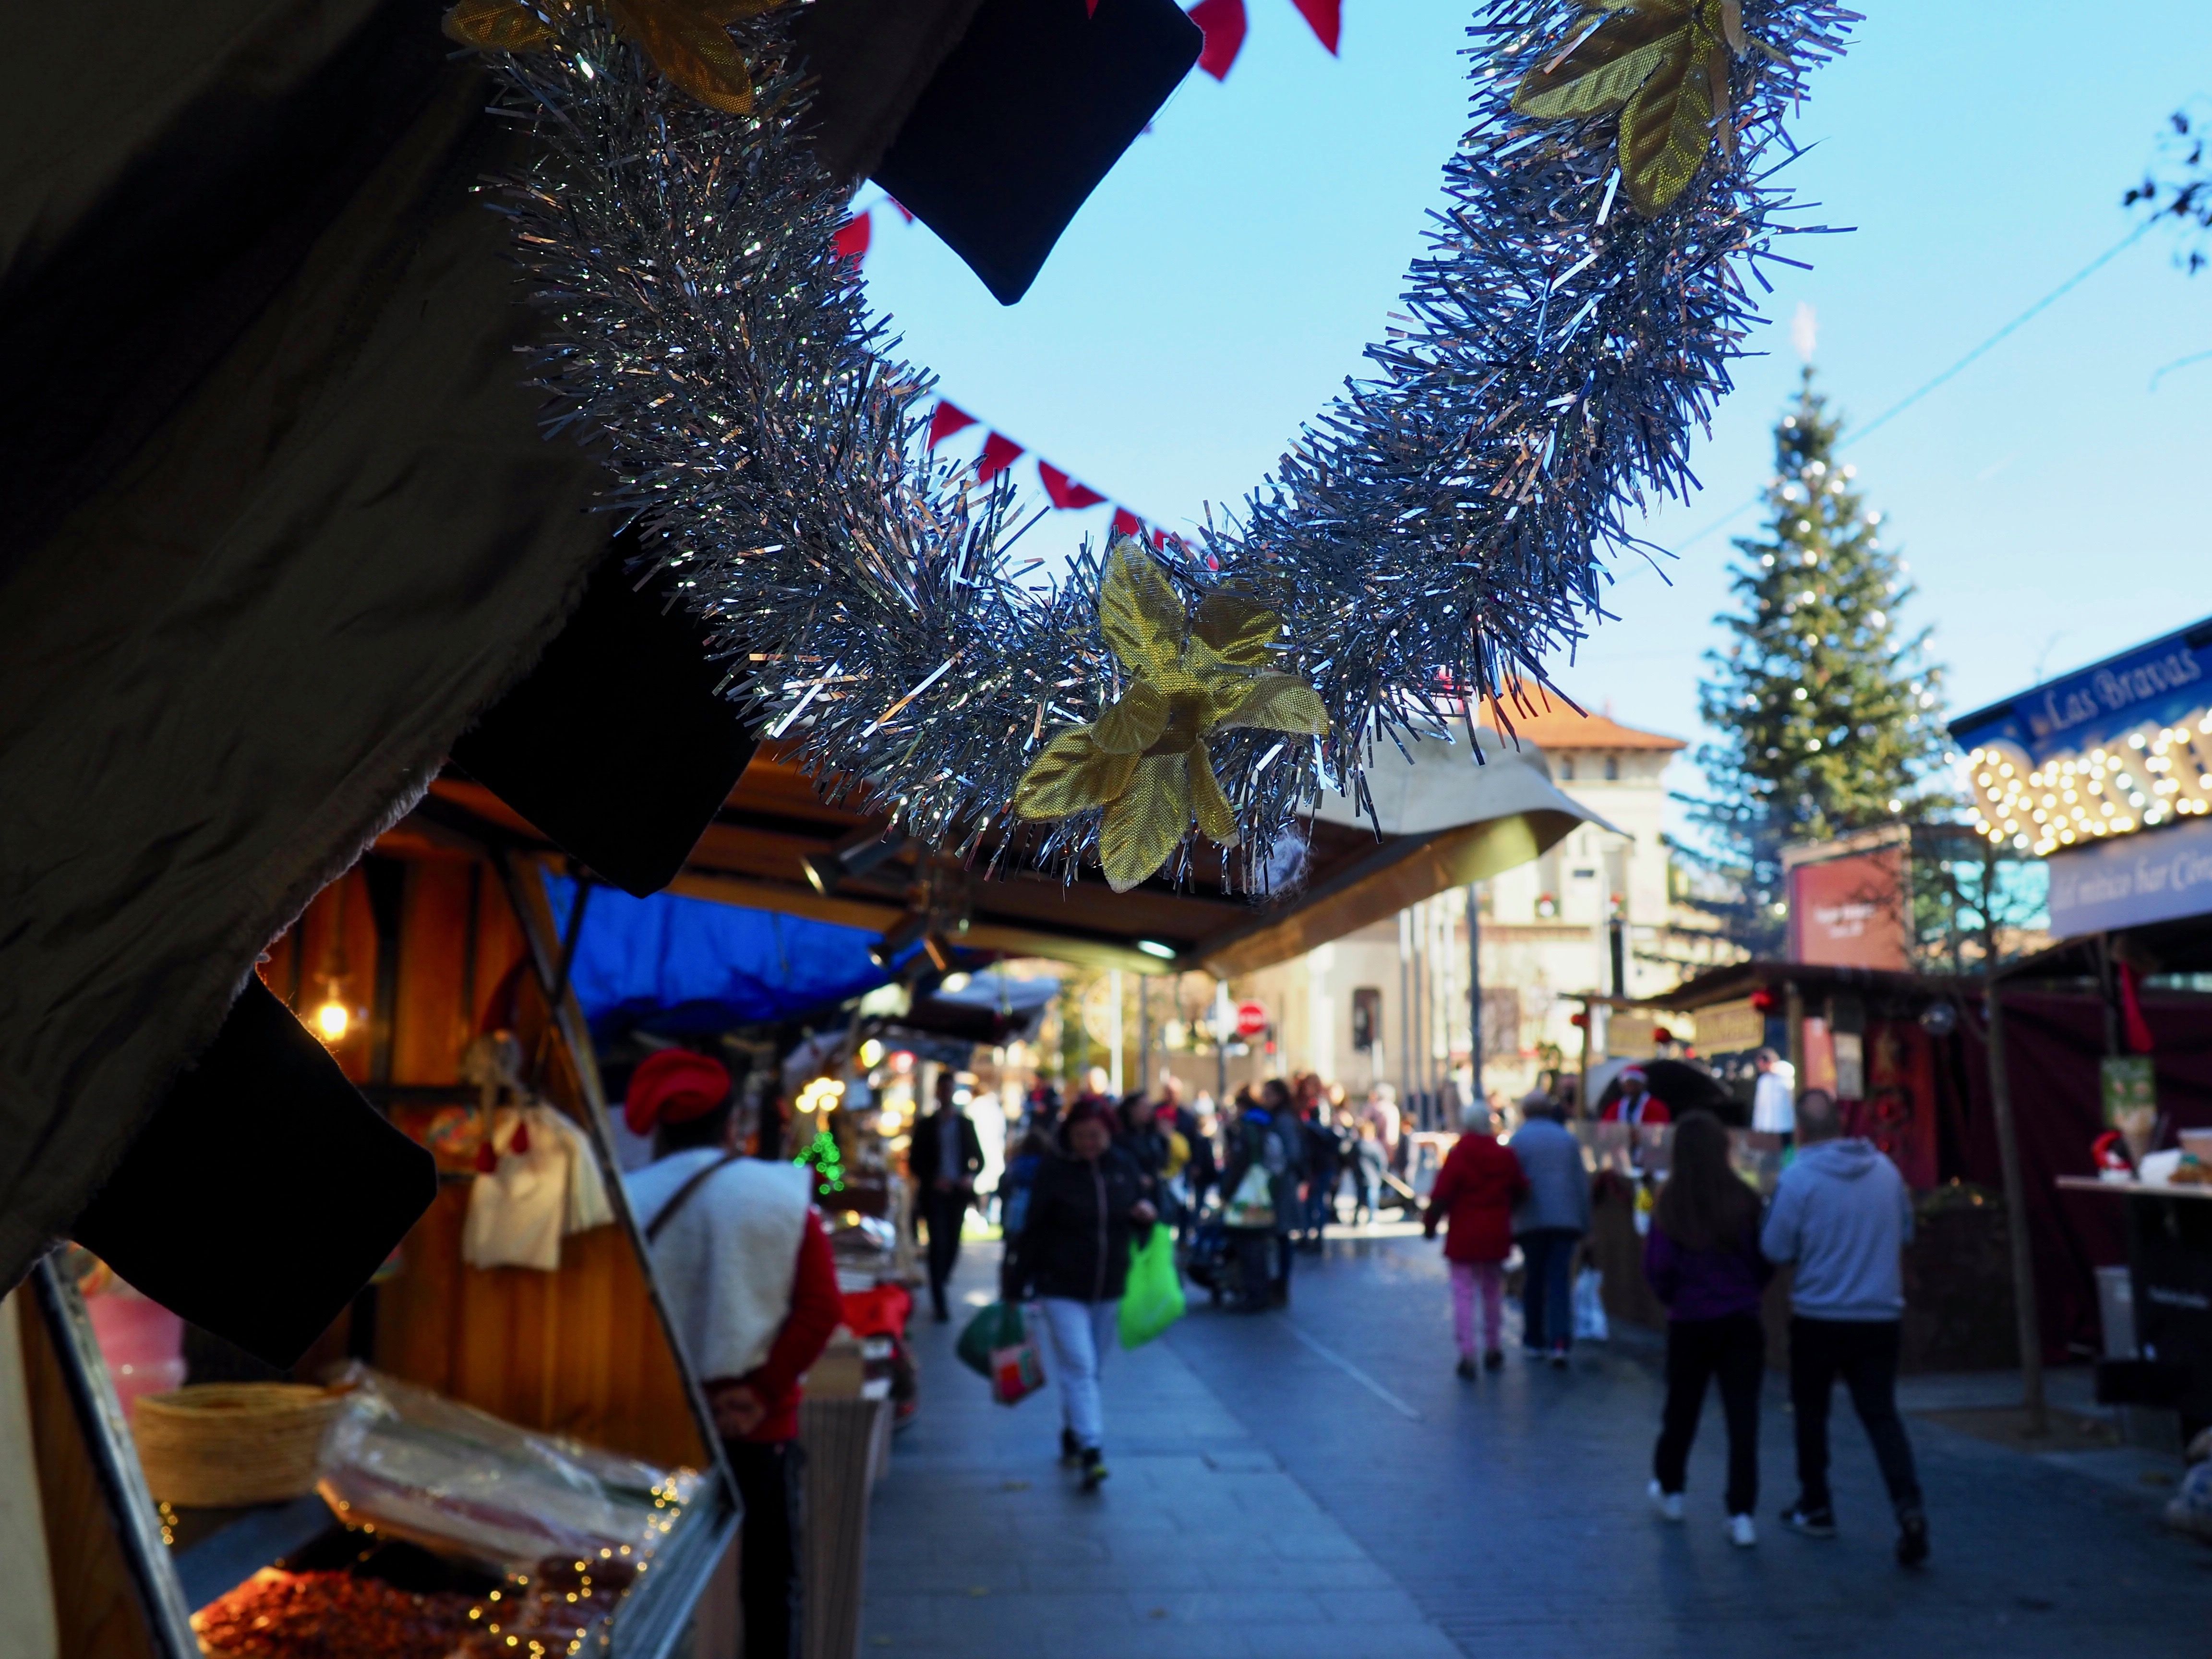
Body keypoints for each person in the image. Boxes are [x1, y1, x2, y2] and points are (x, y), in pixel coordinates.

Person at [624, 1049, 842, 1659]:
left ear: (659, 1127)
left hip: (655, 1423)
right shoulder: (779, 1194)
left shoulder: (626, 1199)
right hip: (758, 1424)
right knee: (770, 1581)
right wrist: (761, 1392)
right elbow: (821, 1309)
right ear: (731, 1123)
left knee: (645, 1581)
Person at [1761, 1088, 1929, 1567]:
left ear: (1801, 1130)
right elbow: (1907, 1232)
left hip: (1820, 1315)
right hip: (1879, 1315)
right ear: (1840, 1123)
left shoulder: (1798, 1179)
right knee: (1881, 1415)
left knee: (1811, 1414)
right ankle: (1908, 1504)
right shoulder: (1885, 1171)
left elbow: (1774, 1248)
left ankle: (1816, 1505)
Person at [1006, 1099, 1156, 1490]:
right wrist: (1015, 1285)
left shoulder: (1123, 1167)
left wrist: (1145, 1215)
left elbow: (1138, 1221)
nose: (1088, 1143)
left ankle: (1074, 1431)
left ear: (1109, 1133)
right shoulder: (1054, 1173)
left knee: (1092, 1369)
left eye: (1095, 1136)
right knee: (1080, 1365)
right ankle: (1092, 1449)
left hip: (1109, 1286)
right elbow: (1033, 1229)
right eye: (1080, 1136)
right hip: (1061, 1286)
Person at [1645, 1110, 1773, 1548]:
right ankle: (1741, 1512)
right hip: (1740, 1319)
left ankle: (1672, 1487)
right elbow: (1764, 1258)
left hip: (1691, 1321)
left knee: (1682, 1409)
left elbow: (1659, 1267)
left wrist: (1674, 1299)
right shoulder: (1744, 1199)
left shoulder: (1672, 1202)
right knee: (1743, 1418)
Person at [1424, 1102, 1529, 1376]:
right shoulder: (1504, 1155)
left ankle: (1467, 1352)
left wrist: (1430, 1225)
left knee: (1463, 1293)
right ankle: (1494, 1346)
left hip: (1465, 1235)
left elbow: (1442, 1194)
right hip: (1495, 1233)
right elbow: (1520, 1187)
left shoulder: (1460, 1155)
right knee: (1493, 1291)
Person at [1508, 1088, 1590, 1367]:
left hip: (1531, 1221)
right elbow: (1581, 1184)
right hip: (1565, 1220)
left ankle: (1534, 1339)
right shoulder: (1567, 1140)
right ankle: (1559, 1341)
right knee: (1559, 1280)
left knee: (1534, 1279)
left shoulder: (1518, 1141)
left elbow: (1512, 1185)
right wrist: (1585, 1223)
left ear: (1525, 1112)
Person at [908, 1071, 984, 1322]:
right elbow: (915, 1162)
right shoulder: (927, 1125)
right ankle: (939, 1299)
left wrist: (968, 1177)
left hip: (958, 1194)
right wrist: (933, 1180)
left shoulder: (965, 1124)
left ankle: (941, 1276)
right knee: (937, 1244)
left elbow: (979, 1159)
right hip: (935, 1194)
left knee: (952, 1244)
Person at [1301, 1101, 1344, 1247]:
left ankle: (1312, 1234)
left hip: (1319, 1171)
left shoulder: (1318, 1132)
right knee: (1316, 1203)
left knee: (1315, 1203)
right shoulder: (1324, 1132)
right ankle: (1313, 1234)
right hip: (1320, 1171)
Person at [1751, 1047, 1797, 1140]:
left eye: (1760, 1063)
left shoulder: (1785, 1070)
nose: (1759, 1066)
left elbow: (1787, 1071)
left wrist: (1773, 1067)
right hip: (1767, 1127)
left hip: (1786, 1125)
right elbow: (1759, 1107)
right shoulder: (1764, 1081)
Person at [1348, 1116, 1386, 1225]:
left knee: (1364, 1199)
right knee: (1370, 1199)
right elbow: (1382, 1161)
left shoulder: (1359, 1145)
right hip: (1370, 1177)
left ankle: (1363, 1219)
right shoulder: (1373, 1145)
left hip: (1364, 1177)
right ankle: (1370, 1219)